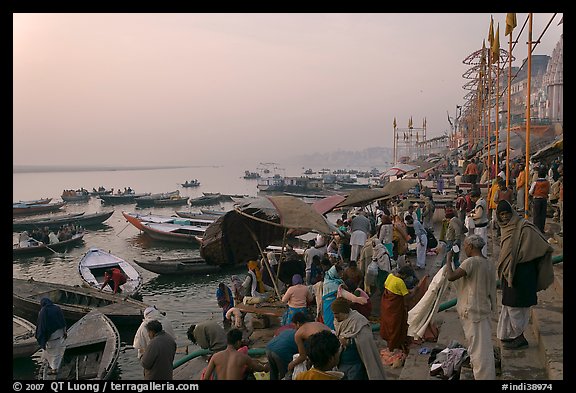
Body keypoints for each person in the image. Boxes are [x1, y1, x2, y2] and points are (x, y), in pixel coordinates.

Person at [495, 200, 554, 350]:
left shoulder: (525, 227)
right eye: (501, 215)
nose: (505, 217)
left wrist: (525, 255)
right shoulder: (505, 228)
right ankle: (511, 335)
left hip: (523, 273)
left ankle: (520, 337)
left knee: (517, 307)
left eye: (507, 213)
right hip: (510, 273)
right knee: (509, 304)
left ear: (512, 212)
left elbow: (543, 245)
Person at [444, 235, 497, 380]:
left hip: (473, 311)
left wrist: (448, 259)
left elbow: (451, 276)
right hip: (483, 309)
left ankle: (483, 377)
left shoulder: (471, 262)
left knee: (479, 351)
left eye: (465, 246)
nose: (464, 249)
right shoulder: (489, 263)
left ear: (471, 247)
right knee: (481, 348)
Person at [331, 297, 387, 380]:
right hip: (342, 364)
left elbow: (365, 342)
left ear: (344, 312)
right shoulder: (338, 321)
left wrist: (350, 342)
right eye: (334, 313)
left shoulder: (359, 322)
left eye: (337, 313)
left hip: (355, 365)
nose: (335, 316)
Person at [202, 328, 269, 380]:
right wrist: (265, 368)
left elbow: (205, 378)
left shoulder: (215, 356)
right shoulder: (243, 357)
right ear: (237, 342)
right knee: (249, 373)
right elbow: (257, 368)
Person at [379, 265, 415, 354]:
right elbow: (407, 297)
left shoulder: (390, 276)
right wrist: (416, 290)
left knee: (388, 324)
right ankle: (394, 345)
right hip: (395, 308)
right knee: (395, 326)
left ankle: (391, 344)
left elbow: (389, 288)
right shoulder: (400, 282)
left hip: (386, 306)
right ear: (405, 276)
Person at [266, 312, 307, 380]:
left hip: (269, 347)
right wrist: (293, 364)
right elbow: (303, 355)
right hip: (280, 352)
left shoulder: (288, 329)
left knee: (273, 373)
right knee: (286, 375)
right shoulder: (301, 335)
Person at [35, 297, 67, 375]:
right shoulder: (57, 308)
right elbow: (63, 321)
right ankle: (55, 366)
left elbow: (42, 326)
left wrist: (41, 337)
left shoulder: (43, 311)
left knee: (52, 353)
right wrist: (65, 332)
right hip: (59, 333)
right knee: (57, 352)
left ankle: (54, 369)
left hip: (50, 336)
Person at [321, 264, 345, 330]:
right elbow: (340, 292)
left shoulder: (336, 281)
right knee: (330, 321)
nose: (341, 274)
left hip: (333, 303)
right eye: (340, 273)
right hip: (329, 304)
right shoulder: (330, 283)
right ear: (335, 272)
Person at [529, 167, 551, 234]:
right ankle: (541, 229)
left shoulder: (535, 183)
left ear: (538, 175)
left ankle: (536, 229)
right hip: (544, 199)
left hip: (537, 199)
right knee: (543, 215)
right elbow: (550, 191)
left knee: (536, 215)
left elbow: (530, 191)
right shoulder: (547, 183)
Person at [468, 189, 489, 257]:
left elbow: (478, 215)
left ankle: (481, 257)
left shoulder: (480, 203)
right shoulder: (481, 201)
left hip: (480, 227)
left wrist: (471, 215)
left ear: (475, 197)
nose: (471, 200)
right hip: (482, 226)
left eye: (471, 198)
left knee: (480, 244)